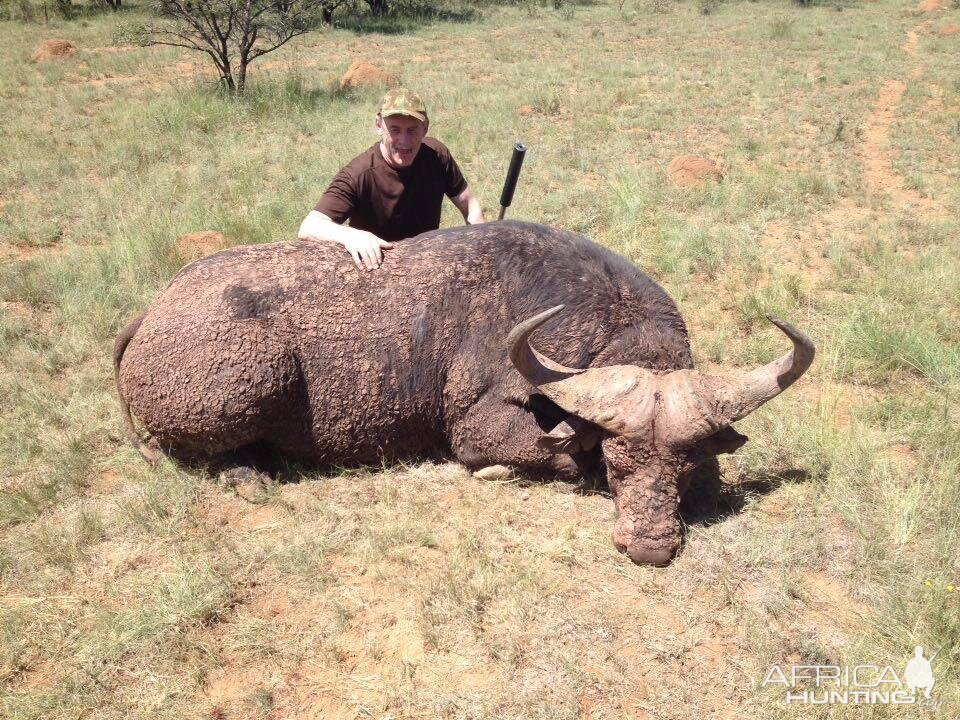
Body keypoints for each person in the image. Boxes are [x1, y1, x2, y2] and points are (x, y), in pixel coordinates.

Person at [298, 87, 485, 271]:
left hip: (426, 263)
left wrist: (483, 245)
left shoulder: (437, 156)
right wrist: (352, 236)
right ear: (379, 126)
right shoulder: (359, 174)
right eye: (395, 129)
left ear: (425, 128)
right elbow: (310, 226)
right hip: (378, 269)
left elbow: (469, 205)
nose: (404, 141)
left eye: (412, 130)